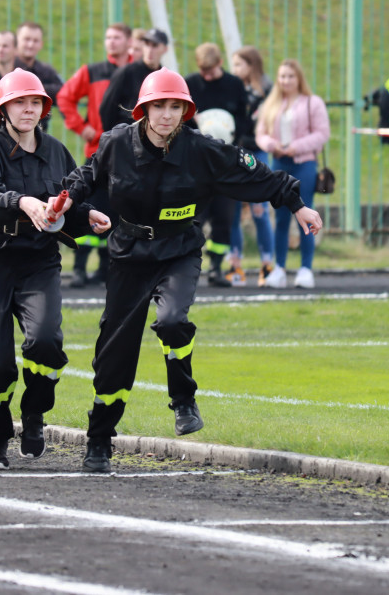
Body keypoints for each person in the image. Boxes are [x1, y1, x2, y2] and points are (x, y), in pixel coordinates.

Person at [47, 68, 322, 473]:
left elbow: (256, 173)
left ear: (185, 111)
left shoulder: (202, 149)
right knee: (114, 356)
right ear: (143, 110)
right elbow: (88, 175)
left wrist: (297, 204)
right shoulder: (117, 142)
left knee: (173, 319)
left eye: (175, 107)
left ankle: (183, 399)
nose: (166, 115)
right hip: (128, 254)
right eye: (158, 106)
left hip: (179, 250)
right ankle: (99, 440)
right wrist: (66, 199)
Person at [0, 68, 109, 470]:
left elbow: (68, 202)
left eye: (35, 103)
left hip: (39, 259)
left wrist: (89, 214)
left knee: (45, 342)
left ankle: (34, 414)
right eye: (19, 103)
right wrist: (22, 202)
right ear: (2, 110)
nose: (29, 110)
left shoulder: (57, 150)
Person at [56, 22, 132, 288]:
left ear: (129, 41)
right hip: (98, 151)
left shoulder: (138, 73)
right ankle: (79, 268)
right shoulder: (93, 71)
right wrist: (81, 126)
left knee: (117, 212)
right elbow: (64, 98)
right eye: (108, 37)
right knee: (91, 207)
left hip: (131, 155)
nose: (111, 42)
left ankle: (105, 269)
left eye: (117, 38)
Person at [255, 59, 329, 289]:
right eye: (282, 76)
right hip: (279, 163)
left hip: (304, 164)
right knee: (281, 217)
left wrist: (297, 146)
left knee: (305, 214)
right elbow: (260, 133)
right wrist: (271, 144)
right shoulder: (272, 104)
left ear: (299, 79)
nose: (286, 80)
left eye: (290, 76)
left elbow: (322, 133)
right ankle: (279, 268)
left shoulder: (312, 103)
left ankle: (306, 268)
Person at [185, 42, 250, 288]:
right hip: (196, 161)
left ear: (220, 64)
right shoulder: (190, 83)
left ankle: (216, 267)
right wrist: (195, 120)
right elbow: (180, 119)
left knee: (224, 217)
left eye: (210, 71)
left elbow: (245, 120)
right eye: (203, 71)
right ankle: (189, 267)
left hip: (226, 162)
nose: (206, 76)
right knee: (195, 217)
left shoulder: (234, 85)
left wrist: (232, 135)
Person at [230, 46, 275, 286]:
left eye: (239, 64)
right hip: (234, 153)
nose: (235, 69)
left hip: (257, 154)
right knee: (233, 210)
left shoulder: (267, 90)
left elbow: (266, 123)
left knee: (260, 211)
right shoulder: (233, 87)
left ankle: (267, 265)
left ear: (251, 65)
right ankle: (235, 264)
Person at [99, 27, 168, 132]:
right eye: (146, 44)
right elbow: (107, 108)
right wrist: (115, 138)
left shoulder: (165, 78)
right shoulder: (125, 72)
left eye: (155, 46)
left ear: (164, 49)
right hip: (126, 137)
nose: (150, 50)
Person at [13, 22, 62, 131]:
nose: (30, 45)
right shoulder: (7, 69)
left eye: (35, 41)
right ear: (17, 41)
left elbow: (62, 91)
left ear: (41, 44)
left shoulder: (46, 70)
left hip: (40, 132)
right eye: (27, 39)